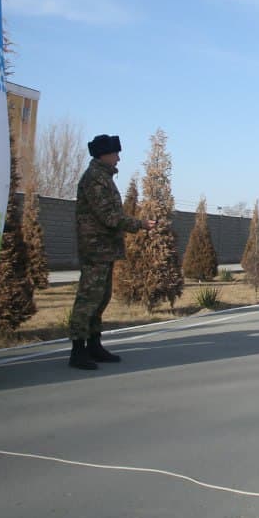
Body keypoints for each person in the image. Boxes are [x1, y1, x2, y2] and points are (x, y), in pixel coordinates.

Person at [68, 134, 154, 370]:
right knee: (88, 299)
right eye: (115, 154)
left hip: (104, 248)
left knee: (101, 298)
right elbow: (109, 216)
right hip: (95, 249)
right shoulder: (94, 179)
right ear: (103, 155)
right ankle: (78, 350)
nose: (118, 158)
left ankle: (94, 345)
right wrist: (140, 224)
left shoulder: (103, 177)